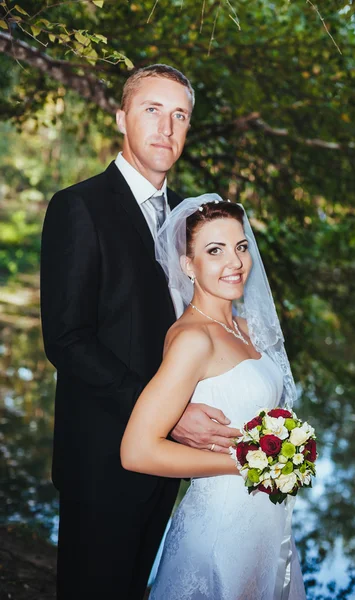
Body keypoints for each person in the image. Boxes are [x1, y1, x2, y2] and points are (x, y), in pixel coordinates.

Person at [40, 65, 239, 600]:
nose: (166, 128)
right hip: (102, 458)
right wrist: (166, 410)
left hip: (171, 460)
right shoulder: (78, 206)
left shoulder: (186, 221)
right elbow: (66, 338)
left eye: (179, 116)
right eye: (152, 110)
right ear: (122, 115)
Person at [121, 194, 307, 599]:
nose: (235, 262)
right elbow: (136, 451)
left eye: (240, 247)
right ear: (188, 265)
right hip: (220, 527)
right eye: (215, 250)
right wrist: (241, 463)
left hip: (265, 521)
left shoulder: (249, 328)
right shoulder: (192, 339)